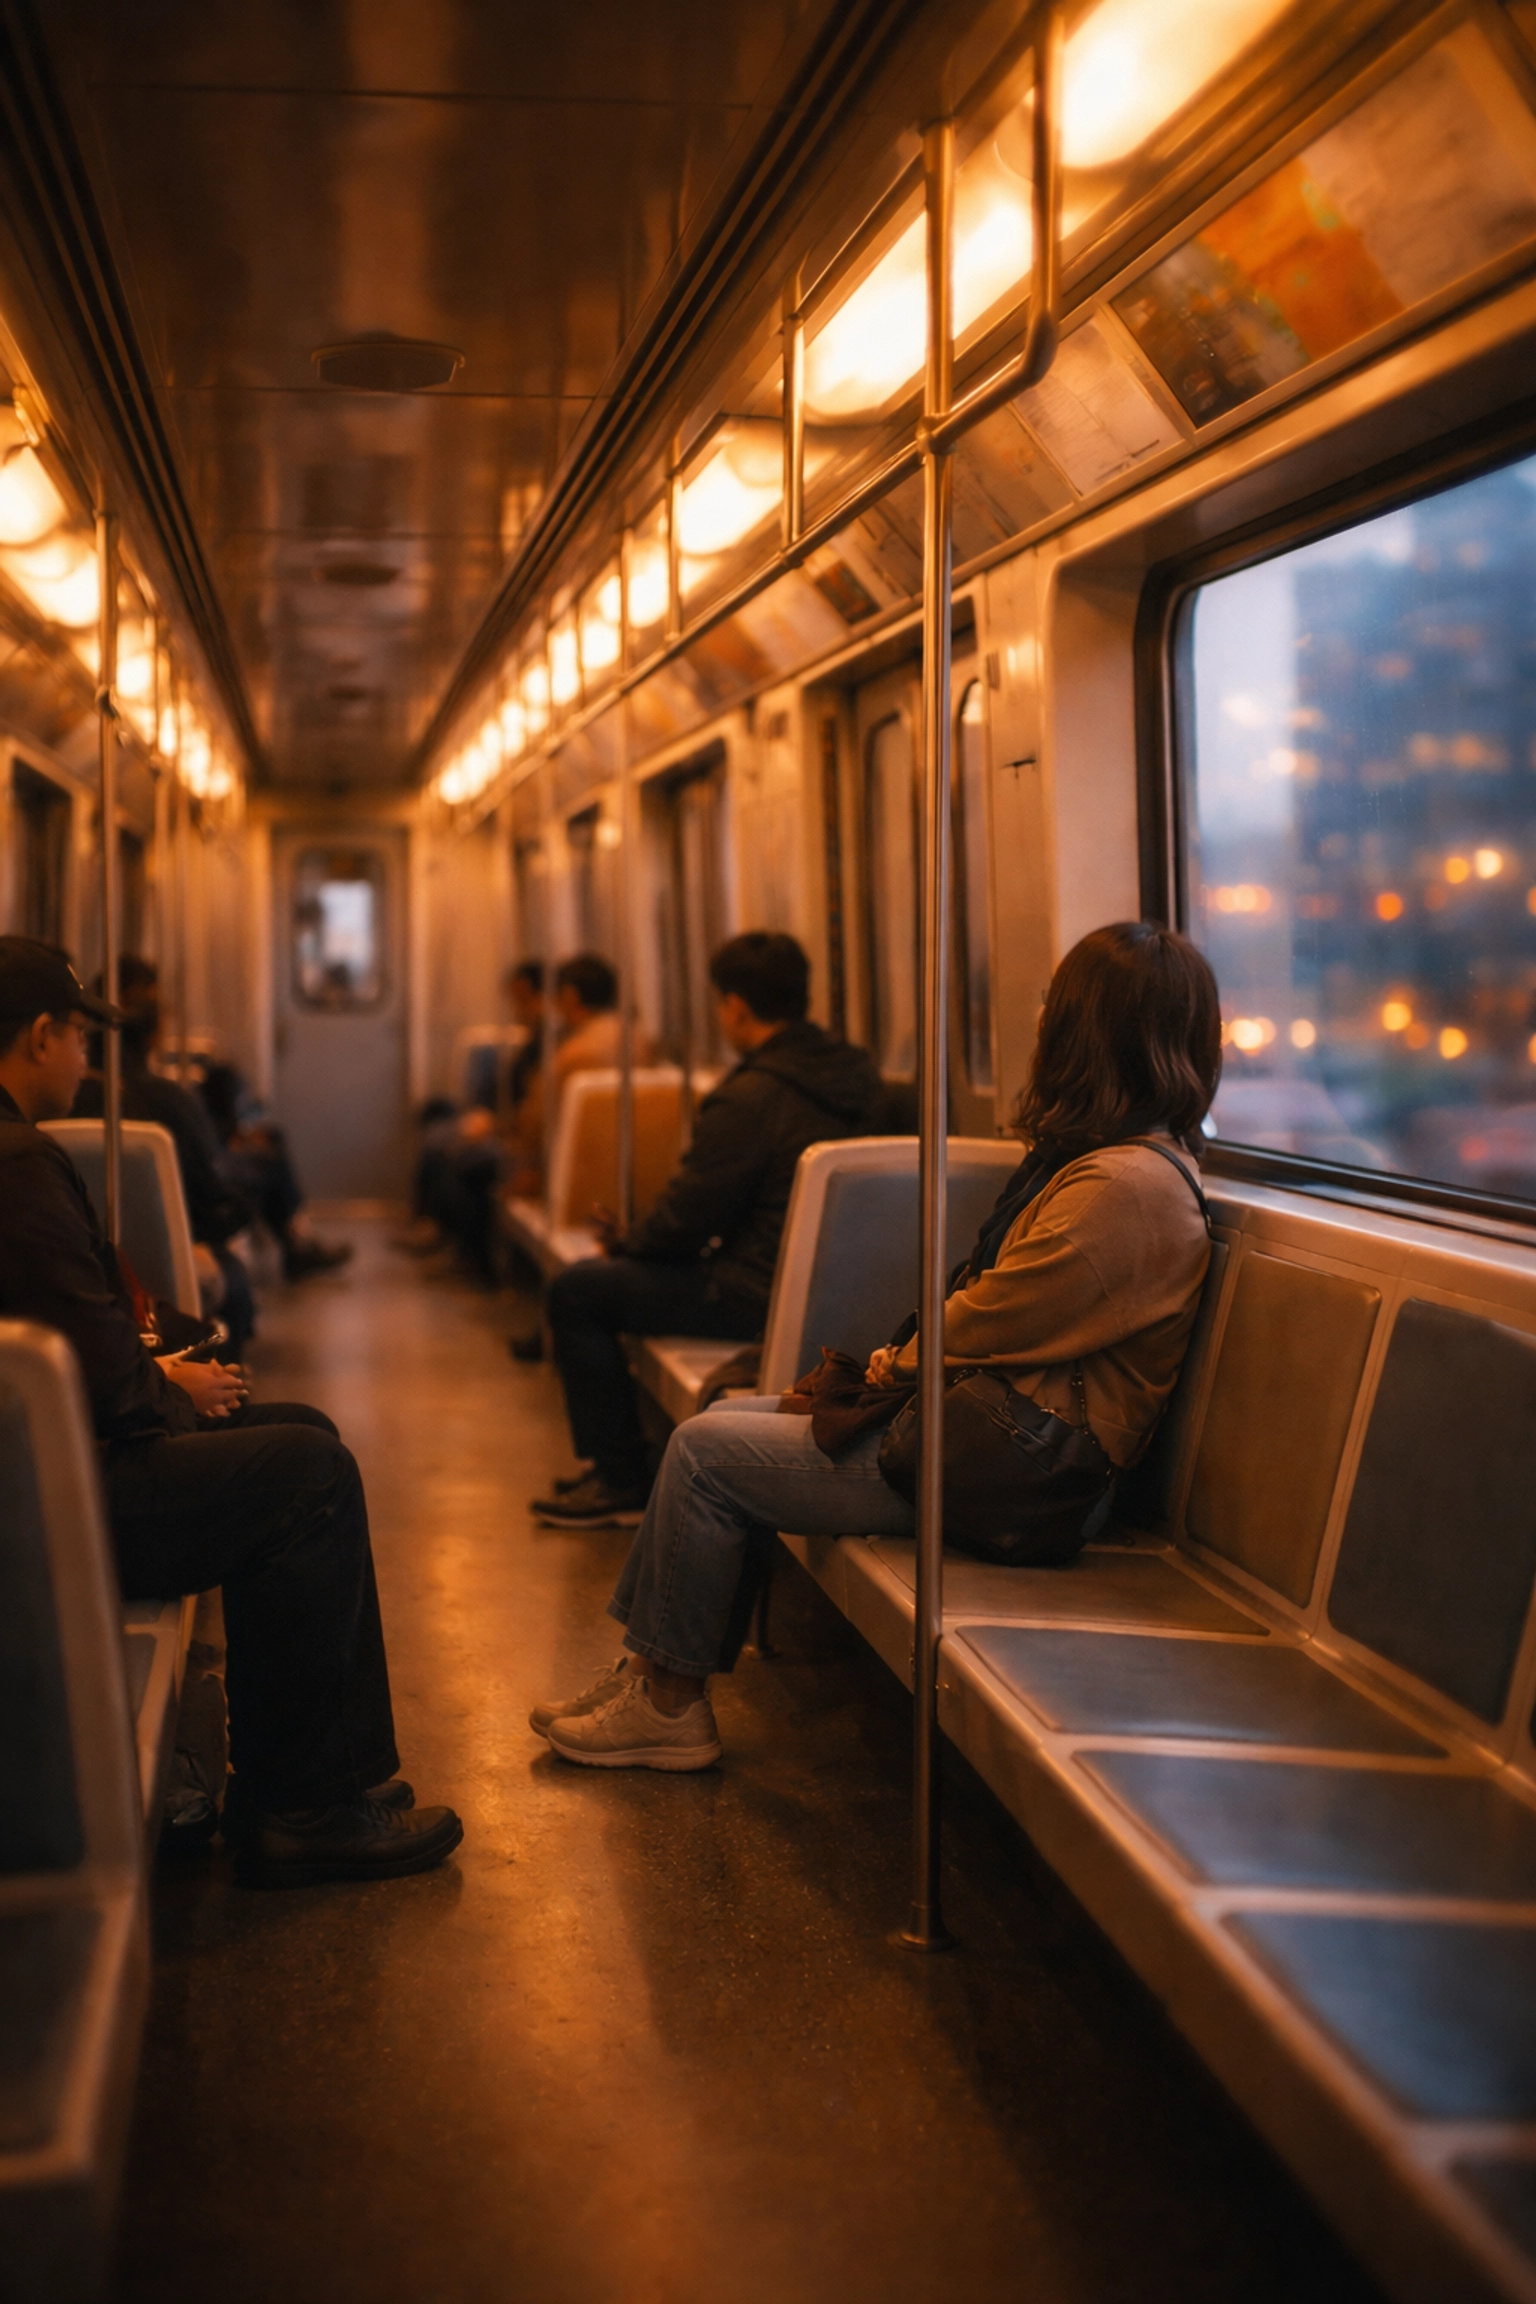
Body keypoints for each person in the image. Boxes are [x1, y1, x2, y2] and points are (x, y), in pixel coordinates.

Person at [531, 921, 1220, 1770]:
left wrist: (890, 1366)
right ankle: (648, 1671)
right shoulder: (1110, 1164)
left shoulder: (1126, 1186)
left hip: (1026, 1473)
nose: (1040, 1023)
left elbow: (990, 1318)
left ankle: (669, 1705)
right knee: (731, 1412)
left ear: (1089, 1033)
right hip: (995, 1436)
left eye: (1055, 1010)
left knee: (708, 1452)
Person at [0, 937, 462, 1886]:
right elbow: (106, 1388)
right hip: (46, 1489)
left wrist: (156, 1378)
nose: (91, 1064)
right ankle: (304, 1810)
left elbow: (72, 1352)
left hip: (48, 1450)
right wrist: (169, 1386)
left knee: (306, 1435)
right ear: (41, 1037)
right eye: (82, 1041)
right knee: (309, 1477)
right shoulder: (18, 1170)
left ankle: (304, 1781)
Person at [533, 932, 883, 1528]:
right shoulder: (860, 1077)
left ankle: (619, 1479)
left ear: (737, 1007)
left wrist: (629, 1242)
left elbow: (690, 1220)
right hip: (854, 1296)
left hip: (752, 1298)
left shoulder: (750, 1096)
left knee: (579, 1291)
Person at [74, 956, 258, 1354]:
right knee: (234, 1276)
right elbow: (212, 1194)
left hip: (89, 1273)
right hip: (170, 1252)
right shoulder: (166, 1100)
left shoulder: (66, 1104)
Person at [399, 959, 545, 1277]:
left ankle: (470, 1252)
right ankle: (437, 1225)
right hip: (498, 1118)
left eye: (523, 999)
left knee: (459, 1154)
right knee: (435, 1121)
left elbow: (534, 1114)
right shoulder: (534, 1040)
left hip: (514, 1133)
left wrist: (497, 1125)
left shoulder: (550, 1047)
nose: (518, 1009)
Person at [194, 1052, 353, 1282]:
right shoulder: (171, 1095)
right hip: (210, 1169)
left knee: (272, 1146)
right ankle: (296, 1241)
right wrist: (232, 1138)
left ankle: (296, 1242)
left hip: (213, 1157)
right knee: (271, 1163)